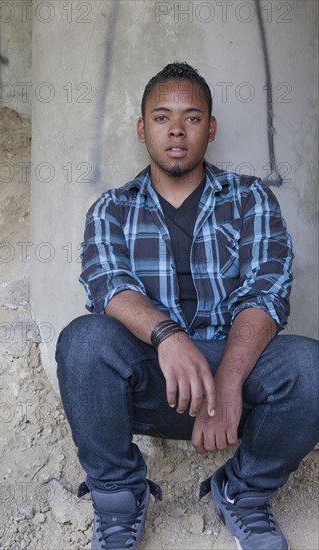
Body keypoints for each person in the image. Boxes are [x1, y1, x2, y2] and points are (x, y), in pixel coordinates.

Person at [55, 62, 319, 550]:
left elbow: (268, 291)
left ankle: (243, 493)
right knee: (84, 340)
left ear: (210, 128)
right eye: (161, 117)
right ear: (142, 129)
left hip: (233, 377)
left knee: (310, 365)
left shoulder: (250, 199)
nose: (176, 129)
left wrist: (227, 381)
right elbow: (108, 285)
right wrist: (168, 337)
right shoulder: (112, 208)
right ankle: (119, 500)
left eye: (192, 117)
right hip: (155, 379)